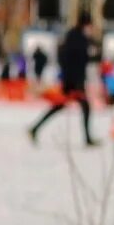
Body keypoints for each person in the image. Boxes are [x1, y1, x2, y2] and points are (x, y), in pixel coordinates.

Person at [29, 9, 98, 147]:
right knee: (84, 107)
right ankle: (88, 138)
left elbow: (66, 57)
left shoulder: (72, 36)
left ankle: (35, 128)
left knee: (61, 105)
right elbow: (79, 60)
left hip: (70, 79)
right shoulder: (80, 38)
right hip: (74, 81)